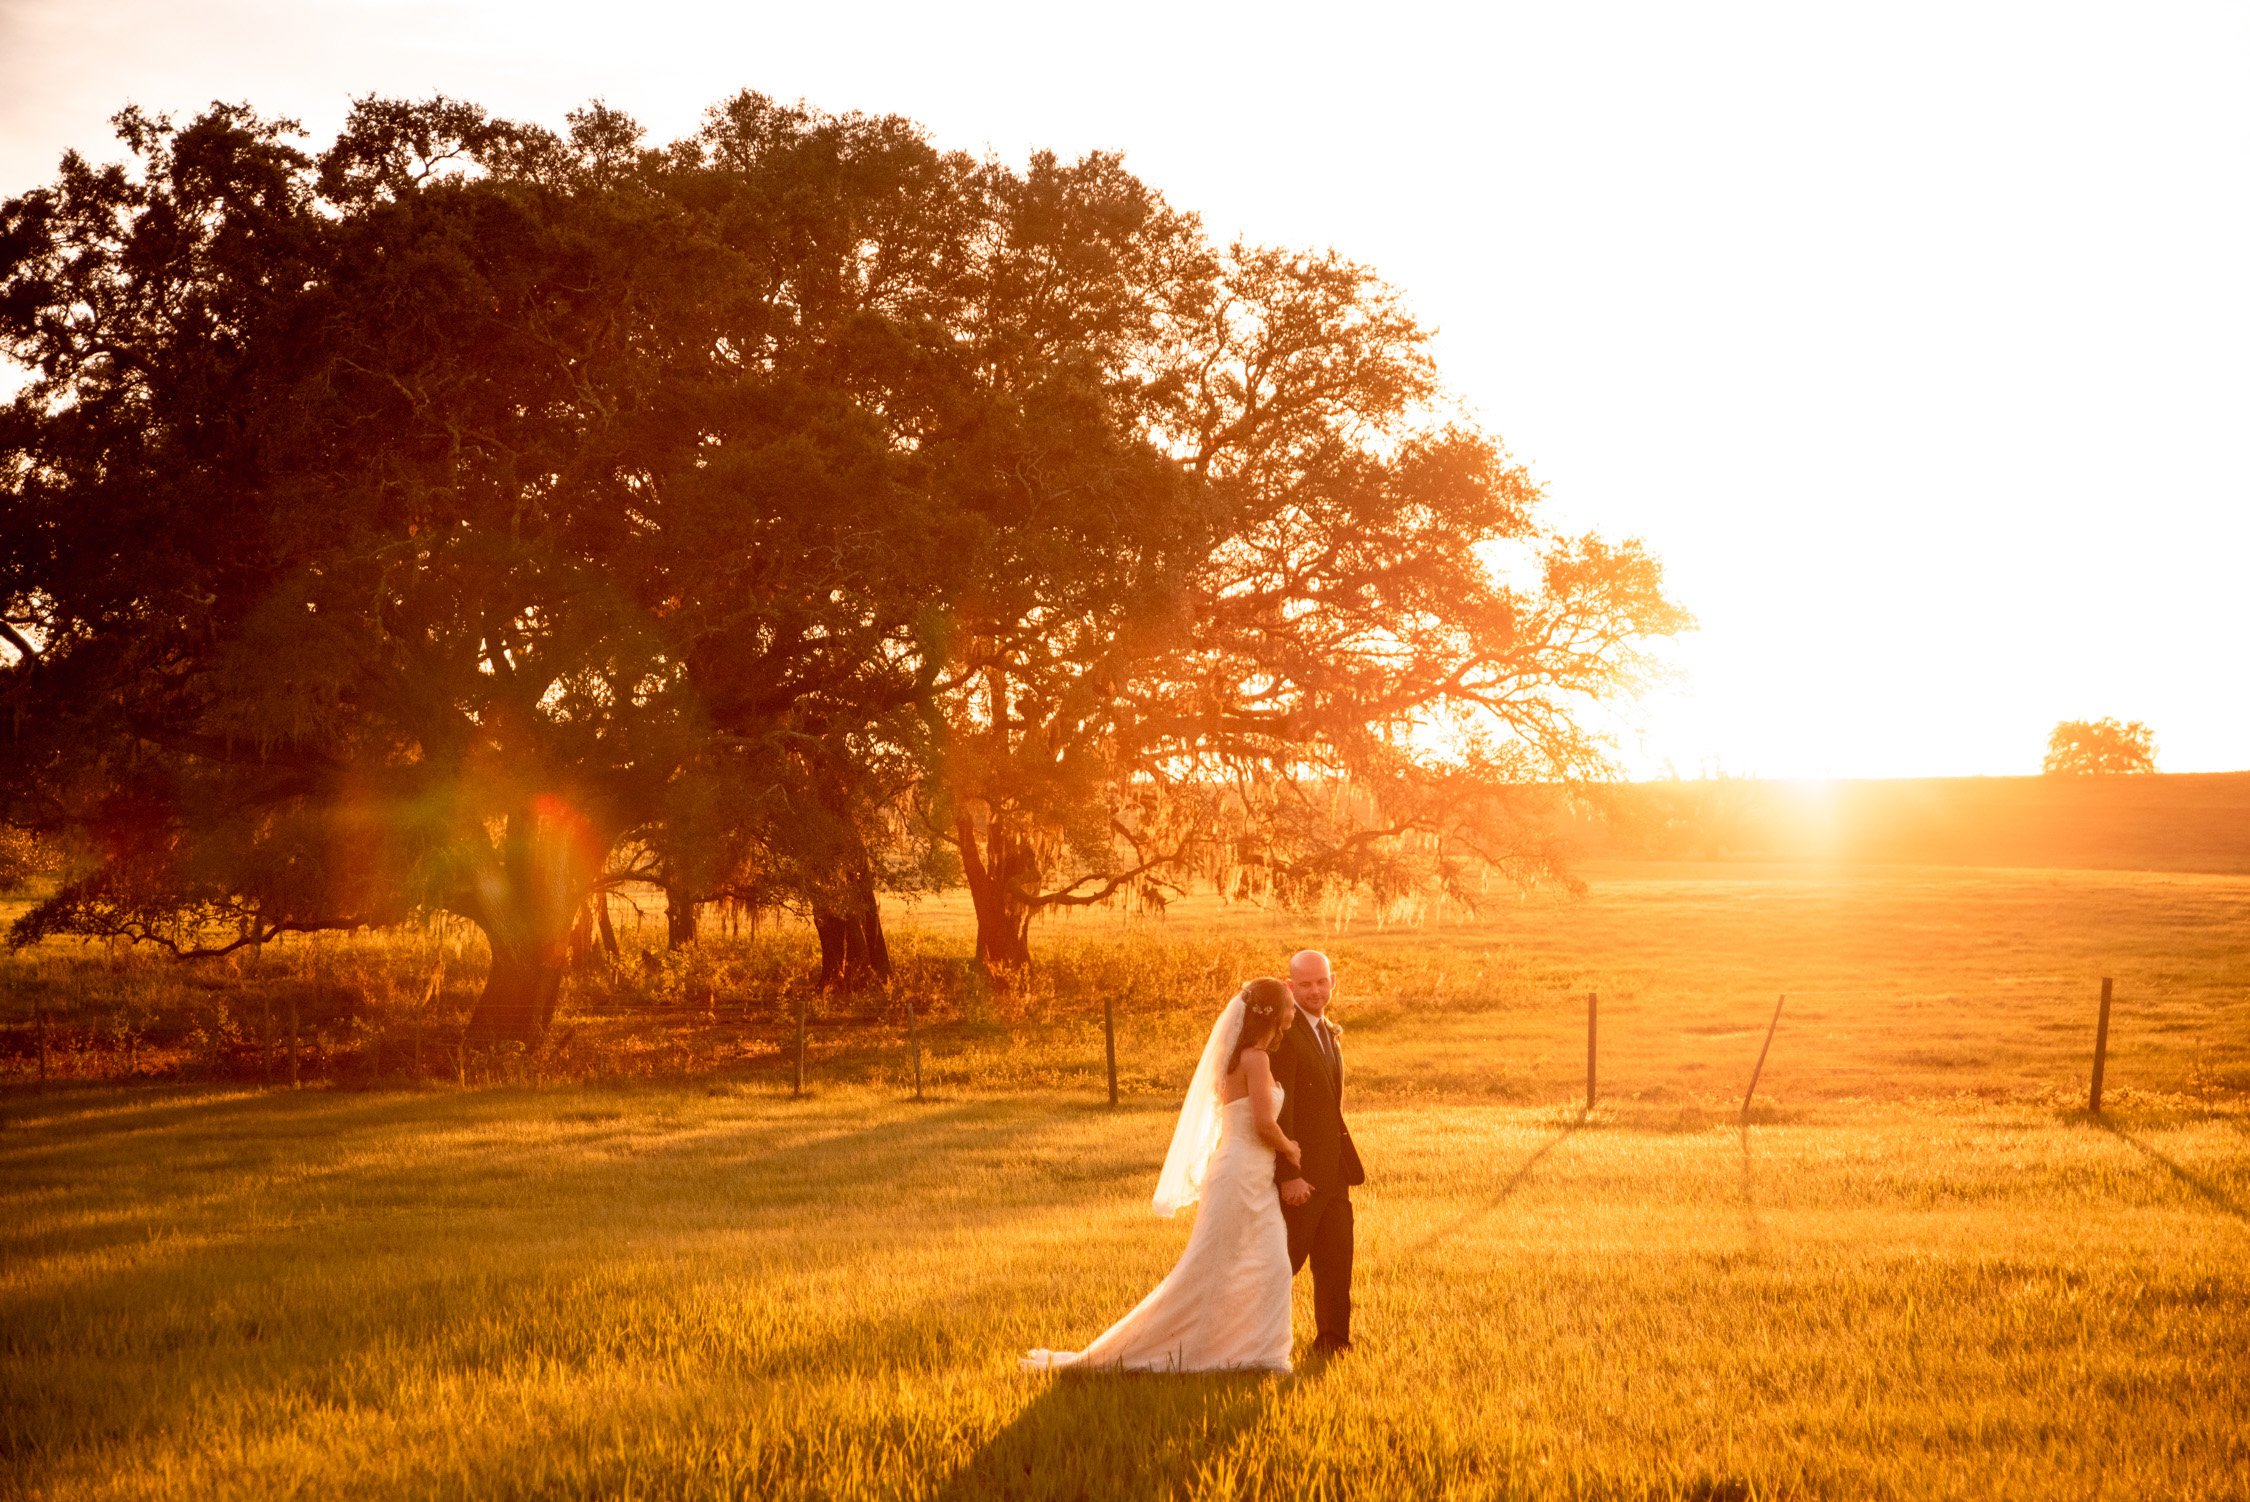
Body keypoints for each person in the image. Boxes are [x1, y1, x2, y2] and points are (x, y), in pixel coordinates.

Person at [1021, 978, 1300, 1373]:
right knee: (1227, 1268)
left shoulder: (1235, 1057)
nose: (1293, 1013)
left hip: (1245, 1174)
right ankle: (1252, 1354)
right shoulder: (1256, 1059)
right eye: (1289, 1005)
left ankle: (1256, 1350)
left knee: (1264, 1264)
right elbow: (1261, 1123)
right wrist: (1290, 1147)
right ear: (1271, 1014)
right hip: (1241, 1175)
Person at [1270, 949, 1364, 1355]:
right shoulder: (1285, 1036)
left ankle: (1333, 1342)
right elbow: (1280, 1112)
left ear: (1332, 981)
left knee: (1336, 1264)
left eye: (1321, 981)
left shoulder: (1327, 1030)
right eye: (1305, 984)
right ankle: (1250, 1341)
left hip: (1335, 1172)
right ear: (1290, 987)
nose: (1315, 991)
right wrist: (1288, 1174)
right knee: (1282, 1265)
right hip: (1301, 1175)